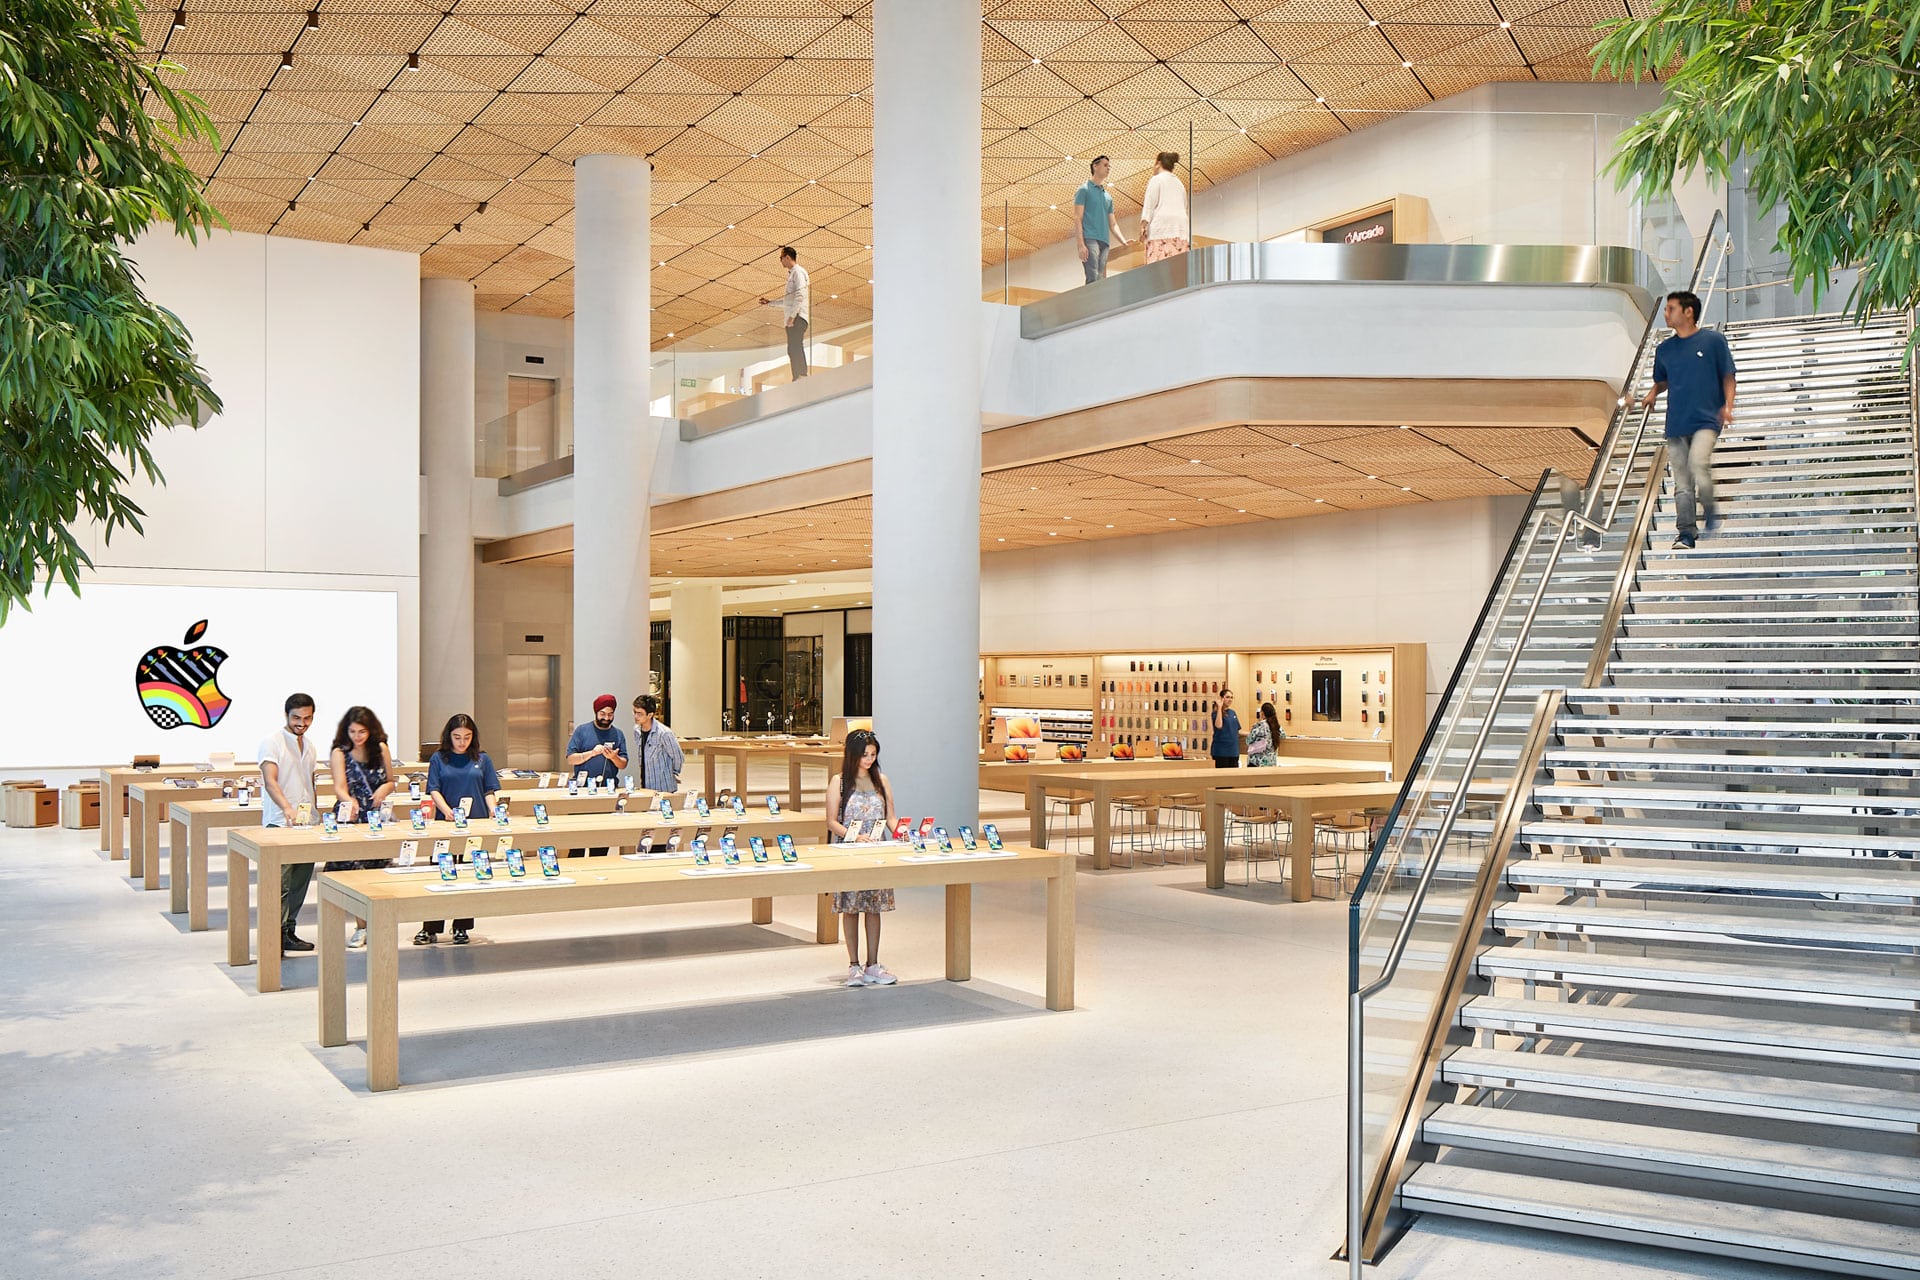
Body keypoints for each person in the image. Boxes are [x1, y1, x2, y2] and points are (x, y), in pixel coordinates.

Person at [1639, 289, 1737, 550]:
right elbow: (1663, 380)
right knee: (1682, 484)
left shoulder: (1713, 341)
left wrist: (1728, 406)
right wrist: (1652, 393)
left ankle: (1710, 509)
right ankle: (1686, 533)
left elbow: (1728, 376)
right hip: (1676, 423)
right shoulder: (1664, 349)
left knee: (1698, 463)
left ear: (1688, 311)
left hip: (1707, 420)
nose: (1666, 313)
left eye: (1671, 308)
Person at [418, 713, 499, 946]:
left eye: (466, 737)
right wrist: (447, 811)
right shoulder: (438, 758)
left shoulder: (482, 759)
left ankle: (461, 926)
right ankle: (431, 927)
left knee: (469, 873)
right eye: (457, 737)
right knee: (441, 872)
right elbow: (433, 789)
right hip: (446, 824)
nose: (462, 742)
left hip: (475, 823)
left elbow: (489, 790)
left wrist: (494, 810)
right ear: (449, 736)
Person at [825, 729, 898, 988]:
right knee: (851, 908)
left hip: (877, 850)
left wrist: (901, 832)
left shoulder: (881, 780)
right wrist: (854, 837)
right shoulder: (839, 782)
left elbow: (890, 817)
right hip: (850, 851)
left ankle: (873, 964)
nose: (868, 760)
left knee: (874, 907)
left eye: (873, 755)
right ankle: (853, 965)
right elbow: (832, 821)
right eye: (864, 755)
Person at [326, 706, 396, 950]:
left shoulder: (380, 749)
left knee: (377, 872)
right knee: (355, 873)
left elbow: (390, 781)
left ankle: (376, 924)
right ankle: (362, 926)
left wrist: (383, 790)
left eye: (362, 732)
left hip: (377, 817)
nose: (357, 736)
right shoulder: (340, 753)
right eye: (353, 731)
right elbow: (339, 787)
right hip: (351, 817)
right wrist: (349, 801)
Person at [259, 693, 319, 954]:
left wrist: (316, 814)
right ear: (286, 715)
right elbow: (270, 781)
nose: (301, 723)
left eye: (307, 718)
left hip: (307, 824)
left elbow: (309, 782)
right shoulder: (272, 742)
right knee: (279, 885)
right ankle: (273, 937)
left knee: (299, 883)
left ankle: (288, 931)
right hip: (279, 824)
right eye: (296, 718)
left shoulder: (310, 746)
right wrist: (286, 808)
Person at [565, 694, 627, 855]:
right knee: (577, 844)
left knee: (601, 843)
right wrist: (591, 753)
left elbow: (623, 763)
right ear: (596, 712)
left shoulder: (618, 734)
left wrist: (613, 757)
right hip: (581, 792)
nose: (606, 718)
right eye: (602, 714)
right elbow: (571, 759)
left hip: (606, 793)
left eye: (610, 714)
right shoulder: (582, 731)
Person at [1072, 156, 1129, 285]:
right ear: (1095, 166)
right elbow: (1077, 218)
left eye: (1109, 166)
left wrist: (1124, 242)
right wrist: (1080, 245)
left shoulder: (1107, 197)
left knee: (1101, 279)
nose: (1108, 168)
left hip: (1105, 241)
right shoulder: (1083, 190)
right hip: (1090, 238)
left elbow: (1113, 224)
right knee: (1092, 276)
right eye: (1105, 165)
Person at [759, 246, 810, 380]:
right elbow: (788, 301)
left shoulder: (798, 272)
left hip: (797, 317)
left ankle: (801, 374)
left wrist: (792, 316)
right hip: (793, 317)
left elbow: (800, 295)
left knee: (795, 346)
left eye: (781, 257)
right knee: (792, 348)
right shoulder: (793, 274)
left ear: (787, 257)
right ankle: (798, 376)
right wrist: (770, 303)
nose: (780, 260)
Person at [1139, 151, 1189, 264]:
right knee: (1177, 269)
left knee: (1158, 269)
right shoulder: (1179, 184)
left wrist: (1143, 226)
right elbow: (1184, 206)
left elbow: (1149, 206)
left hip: (1160, 231)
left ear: (1158, 163)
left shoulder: (1156, 179)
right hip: (1180, 232)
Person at [631, 693, 685, 794]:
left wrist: (672, 773)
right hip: (645, 784)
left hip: (663, 787)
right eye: (634, 712)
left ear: (650, 715)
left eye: (640, 713)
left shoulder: (664, 733)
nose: (636, 716)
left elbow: (678, 757)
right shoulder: (637, 730)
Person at [1210, 689, 1242, 768]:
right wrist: (1219, 707)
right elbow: (1218, 725)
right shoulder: (1216, 713)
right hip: (1221, 751)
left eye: (1231, 697)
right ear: (1221, 698)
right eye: (1227, 697)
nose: (1230, 699)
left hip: (1233, 751)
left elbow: (1236, 730)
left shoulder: (1232, 713)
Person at [1246, 700, 1284, 767]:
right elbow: (1283, 735)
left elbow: (1248, 740)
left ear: (1262, 713)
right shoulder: (1277, 726)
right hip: (1271, 762)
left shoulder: (1260, 726)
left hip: (1257, 762)